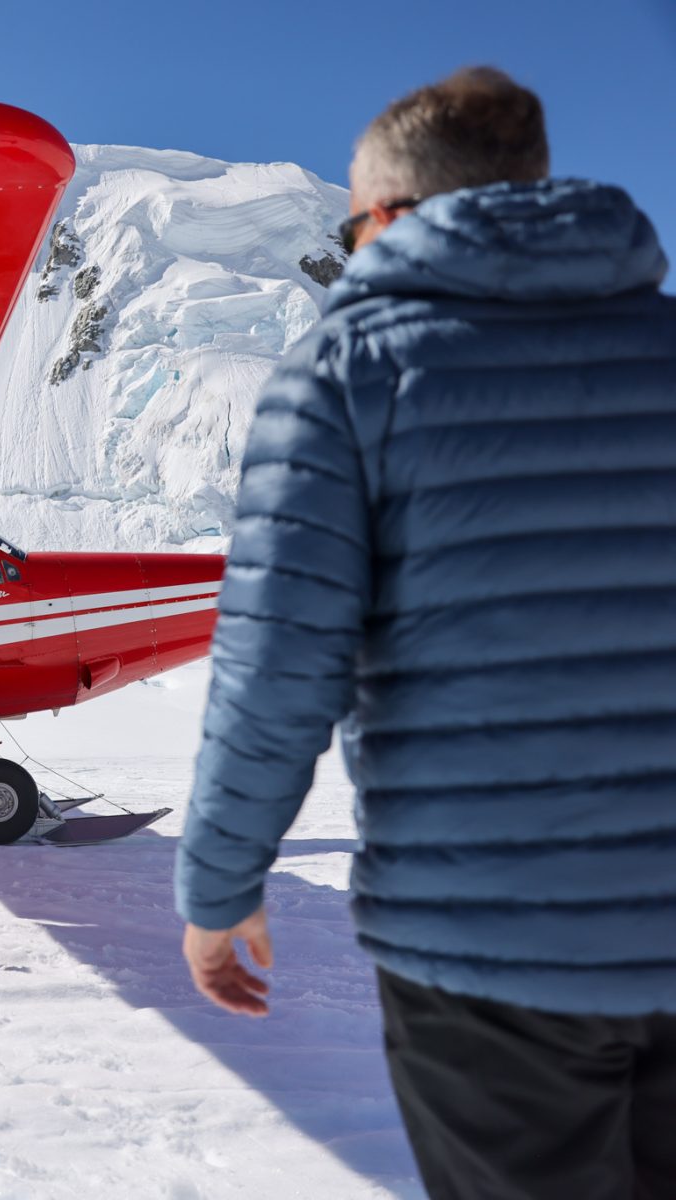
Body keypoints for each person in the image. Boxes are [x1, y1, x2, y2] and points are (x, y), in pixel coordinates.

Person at [175, 67, 676, 1199]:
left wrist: (217, 890)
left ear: (390, 217)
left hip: (489, 960)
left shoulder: (346, 373)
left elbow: (274, 669)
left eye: (349, 225)